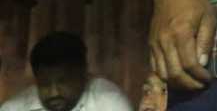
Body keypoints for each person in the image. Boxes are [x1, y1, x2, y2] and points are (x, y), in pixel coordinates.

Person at [0, 32, 131, 111]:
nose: (54, 93)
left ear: (83, 74)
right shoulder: (15, 108)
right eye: (45, 84)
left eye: (63, 82)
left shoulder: (110, 102)